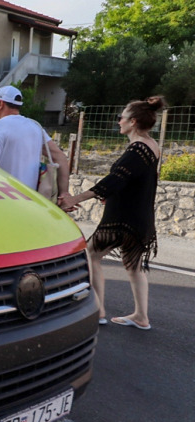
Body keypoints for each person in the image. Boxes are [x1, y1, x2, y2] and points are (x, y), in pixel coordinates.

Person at [59, 96, 166, 331]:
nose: (119, 122)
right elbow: (131, 180)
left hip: (122, 219)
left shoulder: (138, 148)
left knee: (91, 254)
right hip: (139, 216)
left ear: (133, 122)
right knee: (133, 266)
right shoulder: (151, 145)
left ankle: (99, 309)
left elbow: (113, 181)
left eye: (122, 118)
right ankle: (141, 316)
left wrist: (74, 199)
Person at [0, 86, 71, 203]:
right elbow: (60, 157)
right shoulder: (35, 126)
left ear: (1, 104)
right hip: (31, 202)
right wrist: (64, 192)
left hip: (4, 199)